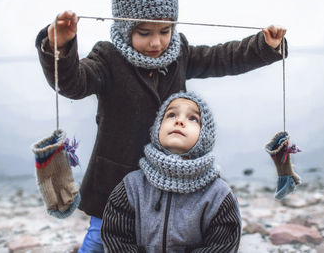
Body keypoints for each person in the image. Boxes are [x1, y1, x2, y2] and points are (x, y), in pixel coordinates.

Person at [35, 0, 287, 251]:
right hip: (115, 178)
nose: (156, 42)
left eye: (165, 31)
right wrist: (59, 47)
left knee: (162, 237)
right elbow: (74, 83)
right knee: (100, 237)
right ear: (125, 28)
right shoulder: (108, 59)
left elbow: (222, 57)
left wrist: (264, 46)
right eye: (145, 33)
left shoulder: (180, 54)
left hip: (168, 177)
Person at [101, 91, 241, 252]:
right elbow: (115, 237)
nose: (180, 121)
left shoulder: (218, 194)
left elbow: (221, 245)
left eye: (193, 118)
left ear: (205, 135)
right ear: (157, 128)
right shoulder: (132, 186)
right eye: (171, 115)